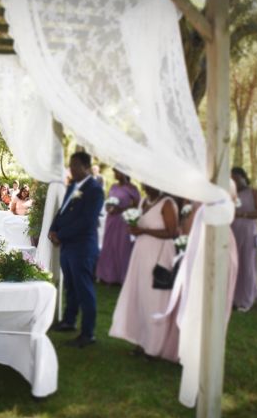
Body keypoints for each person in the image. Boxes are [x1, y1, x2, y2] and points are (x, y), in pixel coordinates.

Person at [109, 184, 180, 361]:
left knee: (155, 301)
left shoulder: (167, 203)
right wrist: (134, 228)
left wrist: (144, 230)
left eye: (149, 184)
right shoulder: (144, 202)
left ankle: (155, 348)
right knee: (140, 299)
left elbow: (172, 232)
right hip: (141, 254)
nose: (145, 187)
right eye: (144, 184)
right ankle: (141, 341)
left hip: (159, 255)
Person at [48, 152, 104, 348]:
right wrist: (53, 228)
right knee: (71, 286)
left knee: (84, 290)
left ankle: (88, 333)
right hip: (68, 246)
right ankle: (69, 321)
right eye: (70, 165)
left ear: (86, 167)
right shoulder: (72, 186)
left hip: (82, 247)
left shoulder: (94, 190)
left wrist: (60, 235)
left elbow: (86, 221)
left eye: (75, 165)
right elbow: (63, 210)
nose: (71, 169)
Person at [96, 169, 140, 284]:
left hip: (124, 221)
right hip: (111, 219)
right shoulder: (113, 187)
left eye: (117, 172)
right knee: (109, 246)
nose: (115, 174)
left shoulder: (132, 189)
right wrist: (108, 207)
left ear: (124, 173)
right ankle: (107, 276)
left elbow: (137, 206)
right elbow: (108, 201)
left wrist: (121, 209)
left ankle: (121, 277)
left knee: (122, 247)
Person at [231, 167, 257, 312]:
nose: (235, 182)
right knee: (233, 264)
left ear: (244, 177)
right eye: (232, 180)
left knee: (247, 264)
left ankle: (245, 298)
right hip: (232, 232)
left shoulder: (254, 192)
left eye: (237, 179)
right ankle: (232, 297)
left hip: (248, 232)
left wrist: (242, 215)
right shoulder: (231, 194)